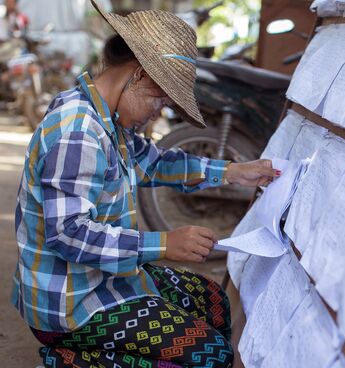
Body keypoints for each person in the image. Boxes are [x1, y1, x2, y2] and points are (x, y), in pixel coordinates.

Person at [11, 1, 279, 367]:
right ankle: (70, 358)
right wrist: (164, 243)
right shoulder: (79, 131)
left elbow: (158, 163)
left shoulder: (111, 123)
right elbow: (68, 233)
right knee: (212, 355)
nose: (158, 112)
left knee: (212, 301)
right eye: (160, 99)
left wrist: (232, 172)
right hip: (69, 303)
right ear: (138, 75)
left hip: (101, 277)